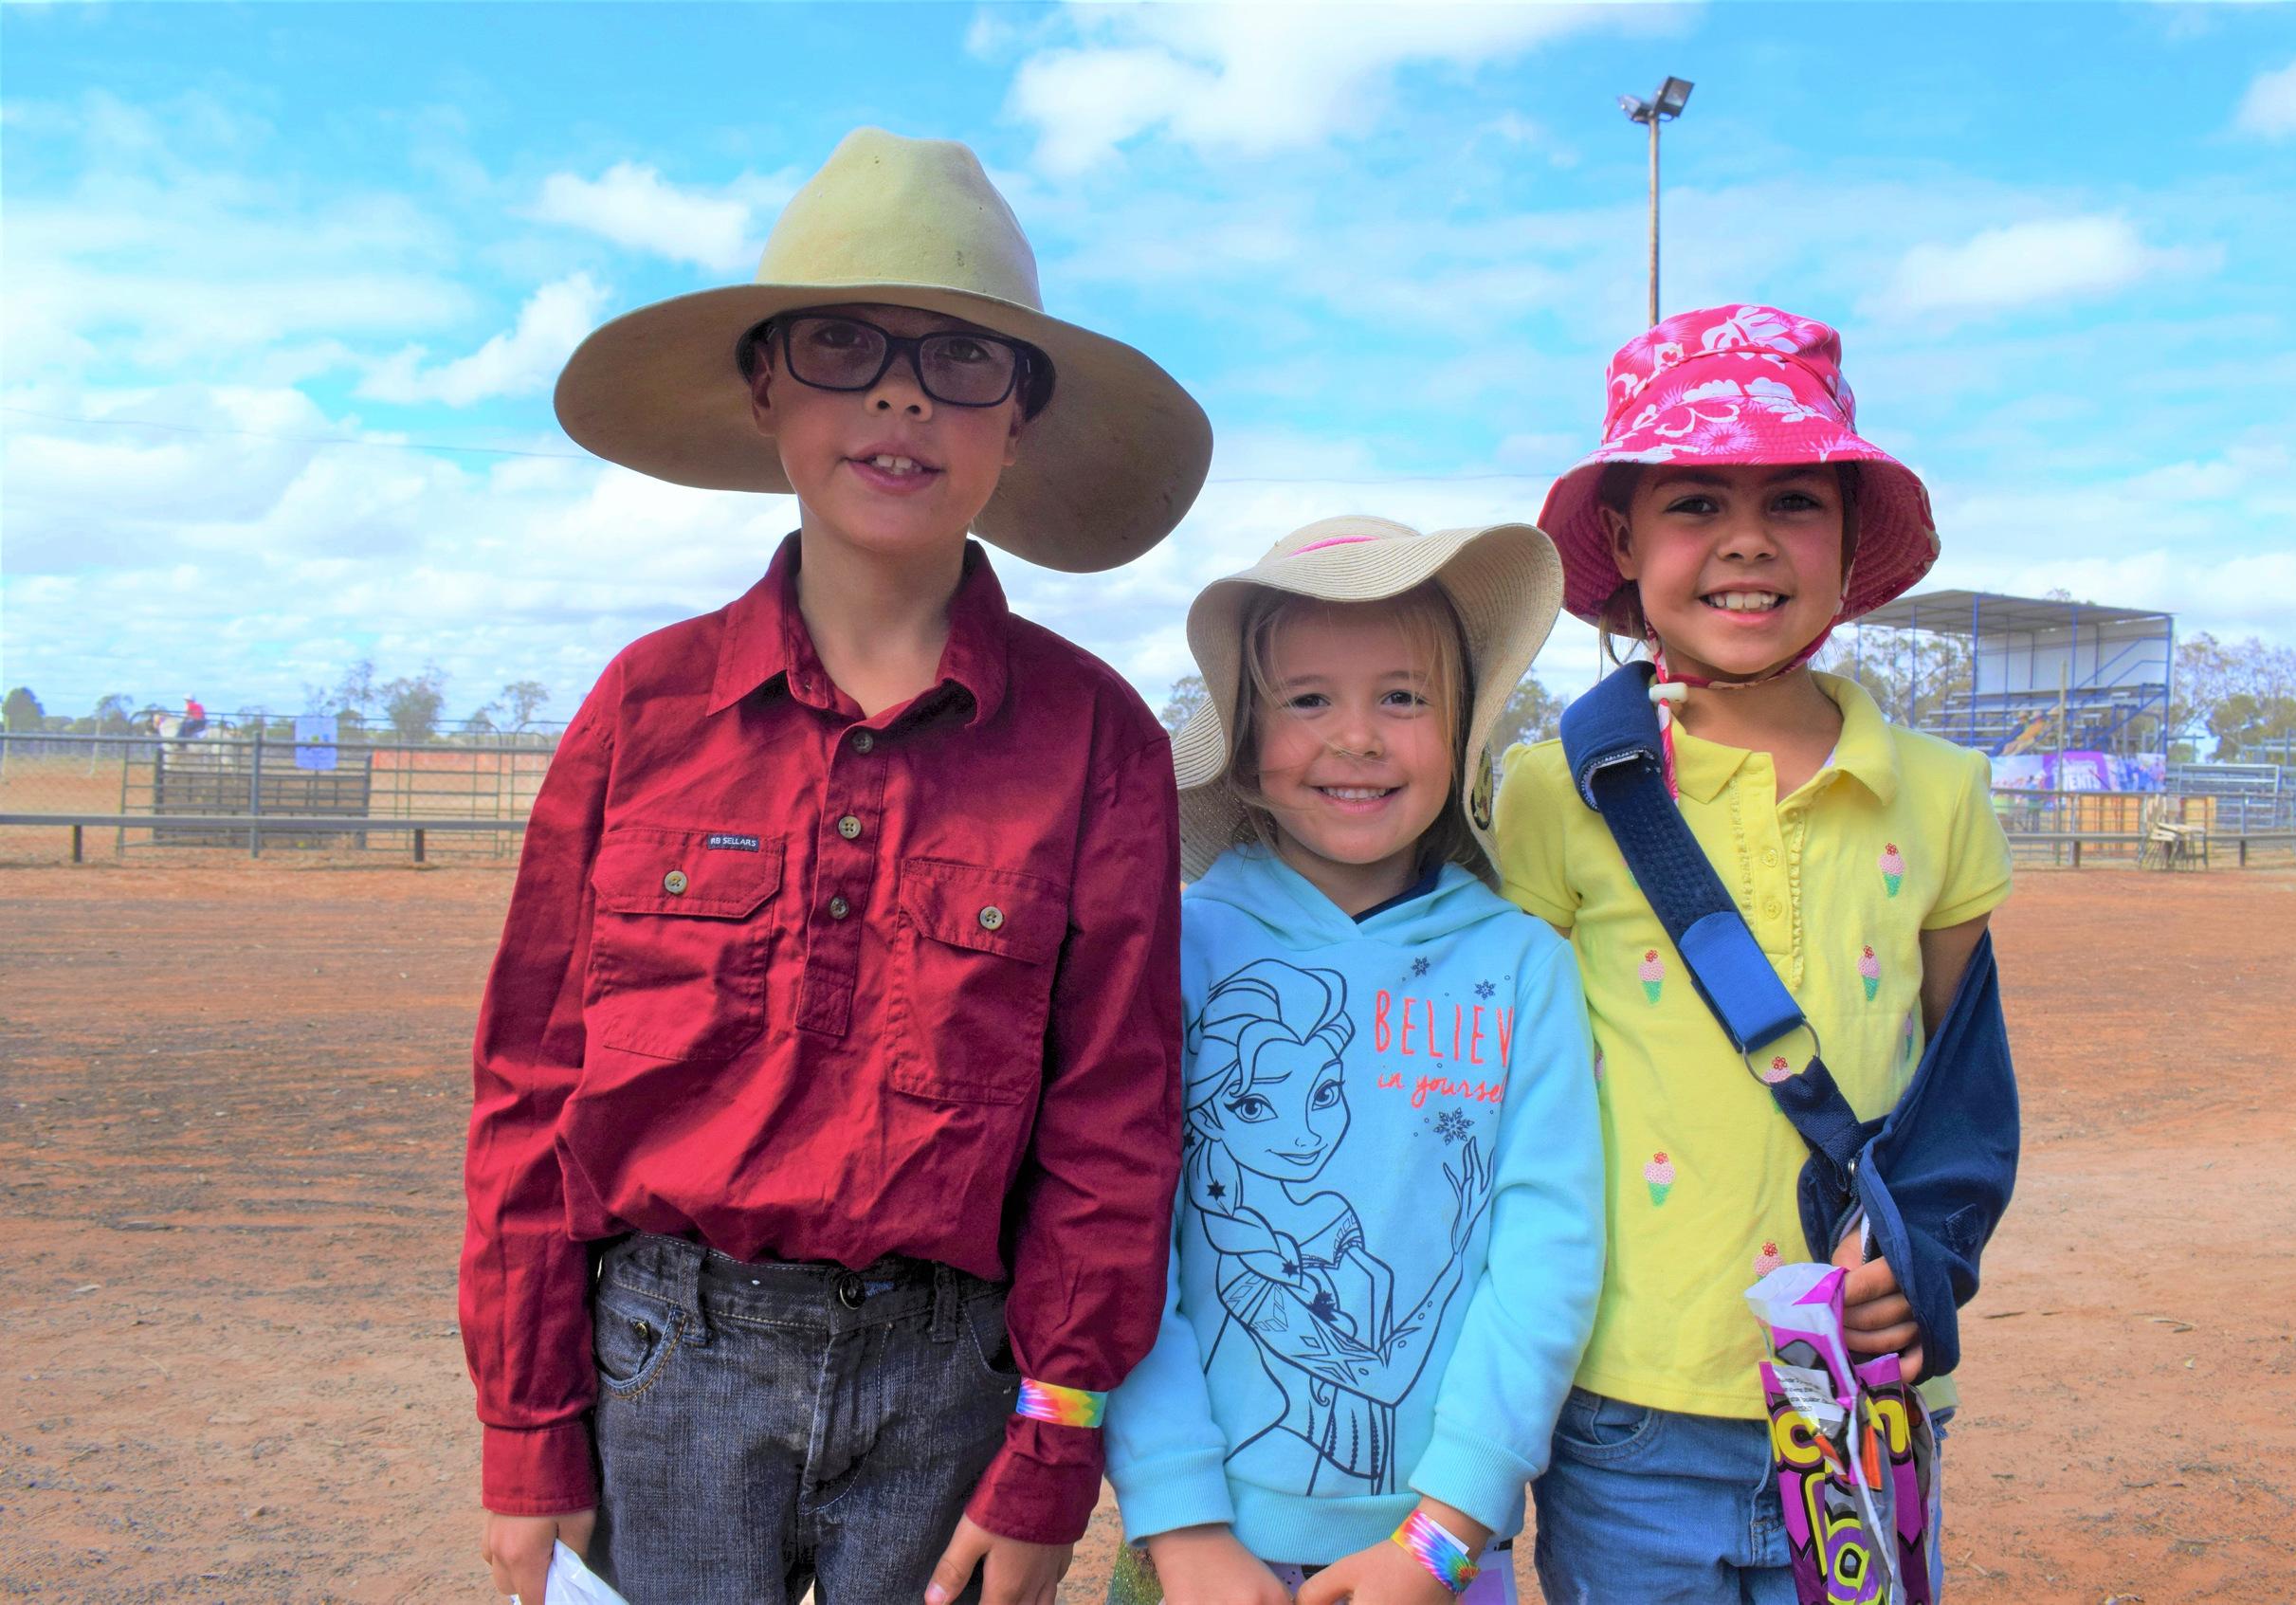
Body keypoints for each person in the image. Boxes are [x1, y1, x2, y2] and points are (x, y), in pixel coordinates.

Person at [461, 128, 1212, 1605]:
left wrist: (1053, 1446)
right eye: (844, 346)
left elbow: (1113, 1122)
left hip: (950, 1380)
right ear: (763, 390)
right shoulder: (644, 710)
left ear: (1022, 422)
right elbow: (529, 1085)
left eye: (962, 361)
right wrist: (525, 1426)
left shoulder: (1094, 744)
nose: (899, 395)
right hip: (661, 1369)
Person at [1494, 304, 2014, 1602]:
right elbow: (1501, 1100)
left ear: (1847, 541)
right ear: (1619, 538)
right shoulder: (1548, 794)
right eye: (1689, 502)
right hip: (1627, 1406)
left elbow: (1966, 1093)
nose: (1742, 539)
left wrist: (1925, 1259)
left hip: (1868, 1394)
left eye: (1792, 499)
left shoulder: (1939, 793)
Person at [1104, 517, 1604, 1605]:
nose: (1359, 738)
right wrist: (1181, 1524)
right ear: (1241, 735)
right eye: (1309, 699)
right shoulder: (1170, 952)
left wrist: (1446, 1530)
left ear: (1463, 726)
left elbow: (1546, 1258)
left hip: (1440, 1555)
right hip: (1198, 1549)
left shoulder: (1522, 969)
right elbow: (1120, 1245)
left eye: (1403, 697)